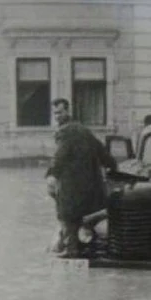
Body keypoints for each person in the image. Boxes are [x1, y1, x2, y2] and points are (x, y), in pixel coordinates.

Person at [46, 98, 117, 258]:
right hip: (91, 184)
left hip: (71, 185)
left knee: (67, 215)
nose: (57, 116)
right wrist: (112, 166)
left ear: (68, 111)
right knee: (87, 216)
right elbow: (102, 151)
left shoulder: (64, 131)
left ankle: (71, 250)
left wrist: (51, 174)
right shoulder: (84, 130)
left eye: (60, 112)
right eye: (55, 113)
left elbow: (59, 156)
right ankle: (87, 245)